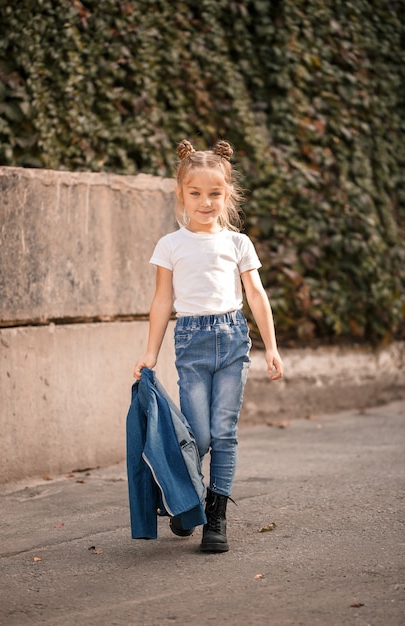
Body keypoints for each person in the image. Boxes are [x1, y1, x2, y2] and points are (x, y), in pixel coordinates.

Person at [133, 138, 284, 553]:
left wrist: (271, 347)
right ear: (181, 193)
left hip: (234, 341)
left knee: (225, 433)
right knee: (197, 434)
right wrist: (150, 352)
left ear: (227, 194)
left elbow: (256, 294)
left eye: (214, 194)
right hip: (192, 342)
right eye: (195, 193)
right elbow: (163, 301)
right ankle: (185, 501)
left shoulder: (238, 243)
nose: (205, 202)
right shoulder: (171, 244)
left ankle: (214, 518)